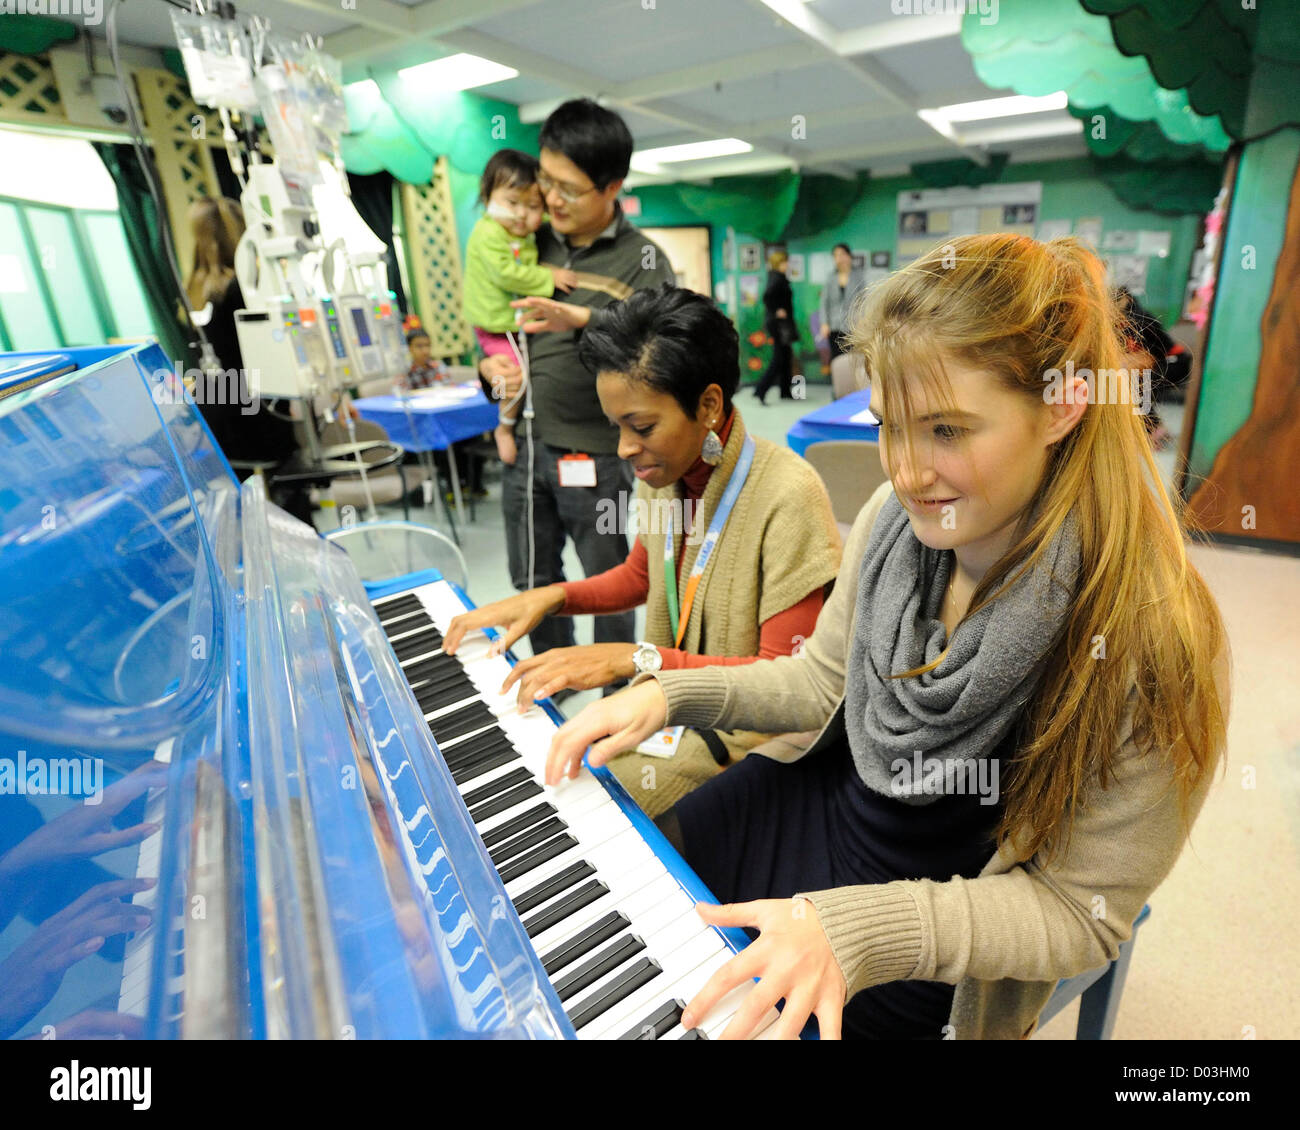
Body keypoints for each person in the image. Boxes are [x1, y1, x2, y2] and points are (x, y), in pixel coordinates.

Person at [545, 234, 1231, 1041]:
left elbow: (1083, 912)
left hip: (948, 917)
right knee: (638, 899)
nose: (904, 472)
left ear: (1063, 405)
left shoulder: (1154, 633)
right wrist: (672, 691)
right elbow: (818, 682)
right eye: (889, 427)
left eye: (946, 431)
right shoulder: (891, 521)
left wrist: (864, 931)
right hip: (830, 801)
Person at [443, 285, 840, 814]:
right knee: (552, 778)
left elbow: (782, 684)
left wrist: (633, 658)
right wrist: (549, 598)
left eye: (642, 426)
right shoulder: (665, 471)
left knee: (576, 807)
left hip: (752, 739)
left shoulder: (788, 495)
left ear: (709, 405)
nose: (624, 448)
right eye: (617, 427)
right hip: (671, 714)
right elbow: (642, 576)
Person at [475, 99, 677, 661]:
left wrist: (581, 318)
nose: (550, 199)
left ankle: (610, 685)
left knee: (608, 582)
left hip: (596, 454)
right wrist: (486, 368)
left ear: (612, 188)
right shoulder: (527, 241)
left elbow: (659, 351)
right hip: (524, 449)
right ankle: (549, 670)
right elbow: (493, 322)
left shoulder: (643, 260)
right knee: (531, 574)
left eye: (569, 188)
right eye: (545, 180)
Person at [182, 197, 308, 521]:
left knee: (241, 509)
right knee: (288, 501)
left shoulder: (192, 291)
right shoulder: (245, 290)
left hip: (216, 407)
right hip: (258, 407)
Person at [462, 149, 578, 465]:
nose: (522, 215)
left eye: (533, 207)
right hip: (496, 323)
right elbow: (505, 272)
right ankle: (504, 427)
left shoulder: (523, 233)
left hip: (509, 322)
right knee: (516, 376)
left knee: (518, 374)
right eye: (512, 203)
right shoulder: (489, 232)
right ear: (488, 197)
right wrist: (549, 276)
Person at [753, 250, 798, 404]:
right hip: (778, 325)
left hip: (780, 324)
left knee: (785, 357)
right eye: (785, 262)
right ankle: (761, 390)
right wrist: (777, 310)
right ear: (779, 263)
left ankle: (785, 391)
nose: (787, 265)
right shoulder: (777, 278)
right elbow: (767, 297)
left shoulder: (777, 277)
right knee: (779, 358)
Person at [818, 242, 866, 362]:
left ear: (849, 256)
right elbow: (824, 303)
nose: (839, 258)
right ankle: (837, 381)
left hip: (853, 326)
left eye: (842, 254)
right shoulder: (831, 277)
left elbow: (862, 300)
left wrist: (862, 320)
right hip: (834, 326)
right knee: (836, 359)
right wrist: (824, 323)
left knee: (853, 360)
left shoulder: (859, 276)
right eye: (836, 255)